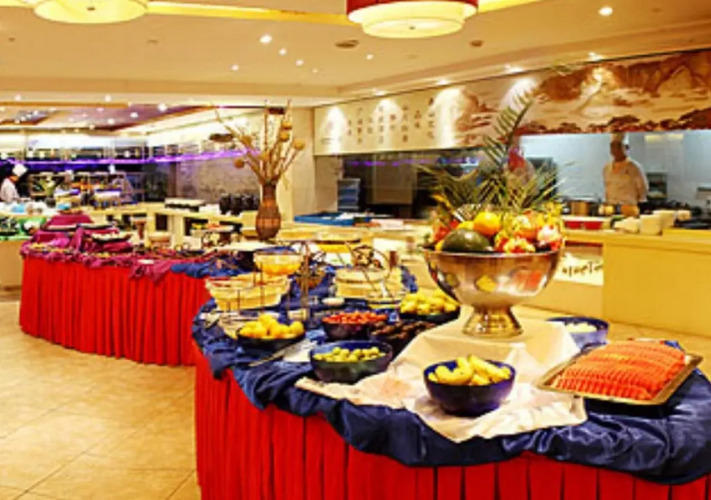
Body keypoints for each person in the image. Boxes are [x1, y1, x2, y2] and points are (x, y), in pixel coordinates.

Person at [603, 133, 648, 206]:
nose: (615, 150)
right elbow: (607, 190)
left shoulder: (635, 167)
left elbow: (642, 191)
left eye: (619, 146)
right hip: (611, 206)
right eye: (612, 146)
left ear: (626, 147)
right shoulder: (606, 168)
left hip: (629, 207)